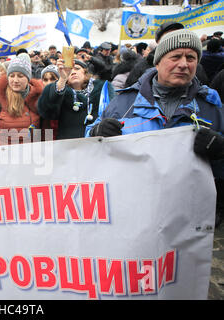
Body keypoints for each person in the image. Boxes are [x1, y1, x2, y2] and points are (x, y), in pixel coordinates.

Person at [86, 29, 224, 225]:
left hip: (188, 223)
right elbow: (88, 151)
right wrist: (95, 133)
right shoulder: (125, 103)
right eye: (175, 56)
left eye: (191, 57)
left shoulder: (212, 107)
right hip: (132, 216)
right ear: (158, 61)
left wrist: (220, 151)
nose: (184, 64)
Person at [38, 58, 115, 140]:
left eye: (77, 68)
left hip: (97, 143)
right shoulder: (60, 90)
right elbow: (48, 112)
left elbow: (113, 114)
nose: (73, 72)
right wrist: (62, 79)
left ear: (85, 72)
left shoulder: (102, 89)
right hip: (69, 145)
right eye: (69, 70)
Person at [0, 53, 43, 146]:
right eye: (12, 76)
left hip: (31, 156)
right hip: (4, 156)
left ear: (28, 78)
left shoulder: (38, 99)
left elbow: (47, 131)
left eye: (20, 76)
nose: (15, 80)